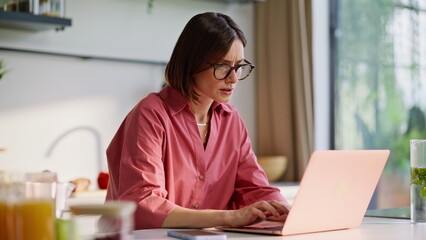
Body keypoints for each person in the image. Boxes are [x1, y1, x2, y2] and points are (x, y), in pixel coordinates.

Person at [106, 12, 290, 230]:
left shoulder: (231, 121)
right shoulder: (151, 114)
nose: (233, 78)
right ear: (192, 63)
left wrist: (283, 208)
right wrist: (228, 217)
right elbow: (143, 204)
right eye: (222, 66)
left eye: (239, 66)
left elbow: (254, 189)